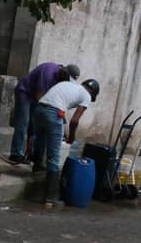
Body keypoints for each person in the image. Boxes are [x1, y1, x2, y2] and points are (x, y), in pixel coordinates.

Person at [33, 78, 100, 207]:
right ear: (92, 92)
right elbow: (74, 121)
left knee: (40, 143)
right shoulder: (86, 95)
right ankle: (51, 197)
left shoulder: (67, 85)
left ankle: (36, 167)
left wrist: (63, 131)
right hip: (53, 113)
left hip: (39, 109)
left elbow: (58, 105)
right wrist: (72, 137)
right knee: (54, 156)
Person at [9, 62, 80, 163]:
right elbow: (40, 97)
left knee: (34, 125)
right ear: (65, 72)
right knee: (23, 122)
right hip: (25, 92)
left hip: (37, 97)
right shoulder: (49, 72)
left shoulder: (61, 80)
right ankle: (15, 154)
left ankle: (31, 153)